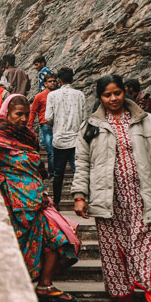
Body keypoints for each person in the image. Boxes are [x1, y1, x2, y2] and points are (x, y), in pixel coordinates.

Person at [73, 75, 151, 302]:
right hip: (109, 203)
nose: (113, 99)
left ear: (125, 93)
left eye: (117, 93)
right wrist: (79, 194)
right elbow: (82, 162)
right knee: (117, 255)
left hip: (145, 199)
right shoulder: (91, 127)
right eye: (107, 95)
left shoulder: (148, 121)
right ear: (100, 97)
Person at [0, 94, 77, 302]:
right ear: (6, 113)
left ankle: (45, 285)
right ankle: (17, 289)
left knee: (58, 239)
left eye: (27, 115)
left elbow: (37, 168)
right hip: (13, 202)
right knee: (18, 246)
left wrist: (41, 192)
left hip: (37, 201)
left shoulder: (29, 136)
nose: (24, 119)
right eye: (19, 114)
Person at [46, 67, 88, 207]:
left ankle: (57, 202)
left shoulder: (52, 96)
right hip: (76, 139)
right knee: (79, 171)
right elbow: (84, 118)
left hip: (59, 139)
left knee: (58, 173)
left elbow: (48, 117)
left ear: (59, 80)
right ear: (72, 79)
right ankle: (80, 200)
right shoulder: (80, 95)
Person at [30, 71, 58, 174]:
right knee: (51, 150)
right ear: (45, 83)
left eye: (54, 81)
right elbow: (33, 111)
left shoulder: (58, 95)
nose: (53, 83)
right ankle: (52, 172)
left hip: (58, 125)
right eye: (50, 81)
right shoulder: (39, 96)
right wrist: (29, 126)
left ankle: (55, 171)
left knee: (57, 150)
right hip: (46, 125)